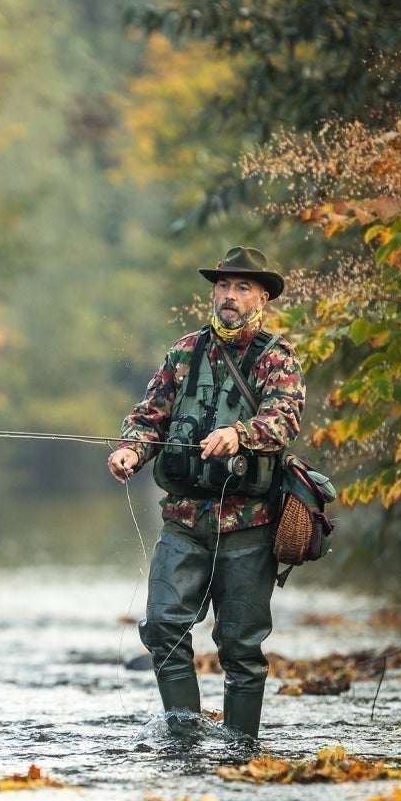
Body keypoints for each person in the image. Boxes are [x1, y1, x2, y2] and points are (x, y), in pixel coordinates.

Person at [106, 246, 304, 741]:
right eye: (222, 286)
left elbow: (284, 419)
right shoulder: (182, 352)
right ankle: (184, 737)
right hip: (184, 518)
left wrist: (241, 434)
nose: (229, 296)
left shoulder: (276, 357)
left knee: (241, 648)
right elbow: (150, 416)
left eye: (241, 288)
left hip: (250, 524)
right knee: (163, 630)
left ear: (262, 297)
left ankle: (242, 748)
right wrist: (132, 449)